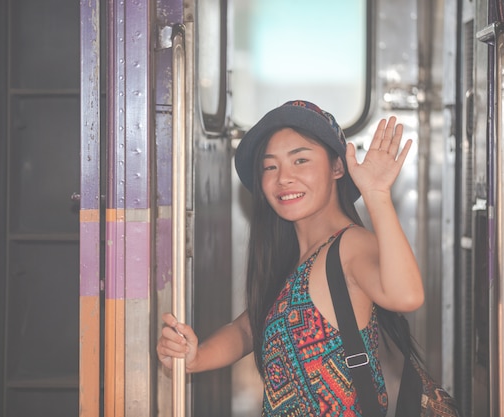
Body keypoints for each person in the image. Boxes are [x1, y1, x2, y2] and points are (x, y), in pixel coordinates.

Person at [157, 100, 424, 416]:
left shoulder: (349, 245)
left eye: (300, 161)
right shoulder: (297, 260)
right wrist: (196, 356)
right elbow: (248, 329)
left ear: (337, 167)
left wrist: (377, 196)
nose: (283, 178)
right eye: (270, 167)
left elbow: (406, 296)